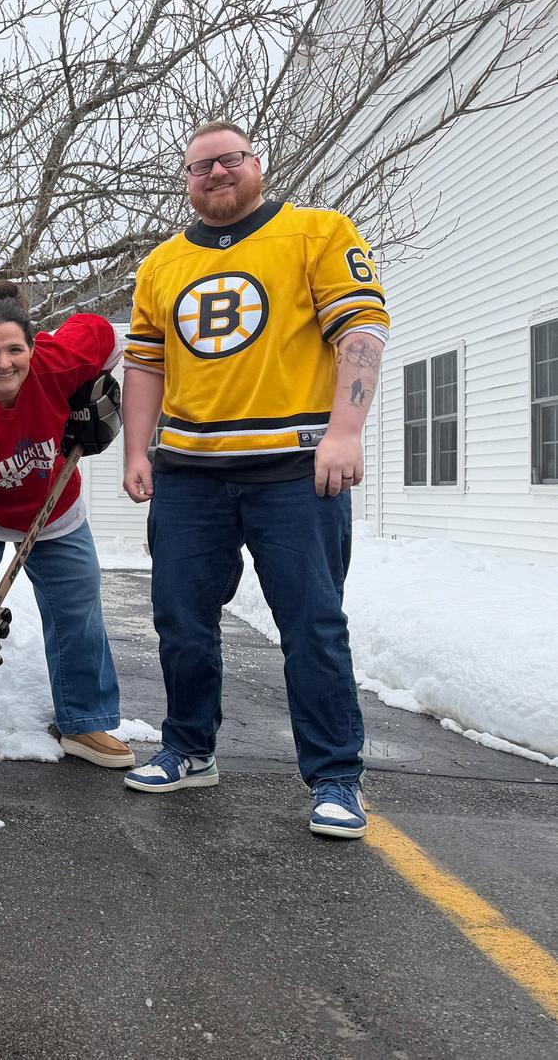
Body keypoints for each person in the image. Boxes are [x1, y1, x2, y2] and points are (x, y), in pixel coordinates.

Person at [121, 119, 389, 840]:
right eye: (199, 166)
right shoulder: (162, 264)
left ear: (256, 163)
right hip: (190, 473)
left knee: (311, 623)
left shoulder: (317, 233)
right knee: (180, 619)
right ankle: (189, 748)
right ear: (186, 181)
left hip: (295, 469)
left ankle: (335, 776)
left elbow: (362, 332)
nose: (215, 173)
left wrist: (345, 431)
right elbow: (144, 362)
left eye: (229, 159)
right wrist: (137, 452)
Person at [0, 283, 131, 780]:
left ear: (33, 348)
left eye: (15, 349)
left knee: (79, 606)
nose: (4, 363)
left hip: (54, 502)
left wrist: (91, 394)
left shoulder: (55, 361)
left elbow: (103, 334)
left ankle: (84, 722)